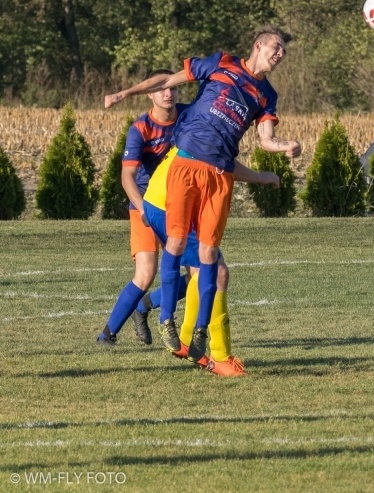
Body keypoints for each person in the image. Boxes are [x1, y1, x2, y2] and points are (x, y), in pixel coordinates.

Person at [105, 25, 302, 364]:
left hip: (220, 175)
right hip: (183, 168)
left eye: (284, 50)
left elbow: (266, 139)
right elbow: (167, 80)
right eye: (276, 46)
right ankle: (166, 320)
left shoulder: (266, 94)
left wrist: (286, 146)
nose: (280, 53)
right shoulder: (222, 63)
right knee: (180, 246)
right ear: (258, 45)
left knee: (209, 256)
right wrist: (125, 93)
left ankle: (197, 332)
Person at [141, 147, 279, 376]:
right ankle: (220, 356)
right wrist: (260, 176)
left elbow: (220, 160)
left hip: (160, 200)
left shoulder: (203, 129)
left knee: (199, 272)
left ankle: (186, 341)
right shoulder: (217, 130)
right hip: (169, 203)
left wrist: (258, 177)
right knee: (217, 273)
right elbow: (222, 161)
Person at [97, 70, 189, 346]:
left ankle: (144, 305)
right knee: (146, 273)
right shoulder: (140, 129)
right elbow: (127, 177)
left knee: (199, 272)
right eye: (160, 88)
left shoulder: (188, 115)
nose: (168, 93)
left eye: (172, 88)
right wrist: (143, 208)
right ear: (149, 93)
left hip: (179, 207)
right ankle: (107, 336)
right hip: (145, 207)